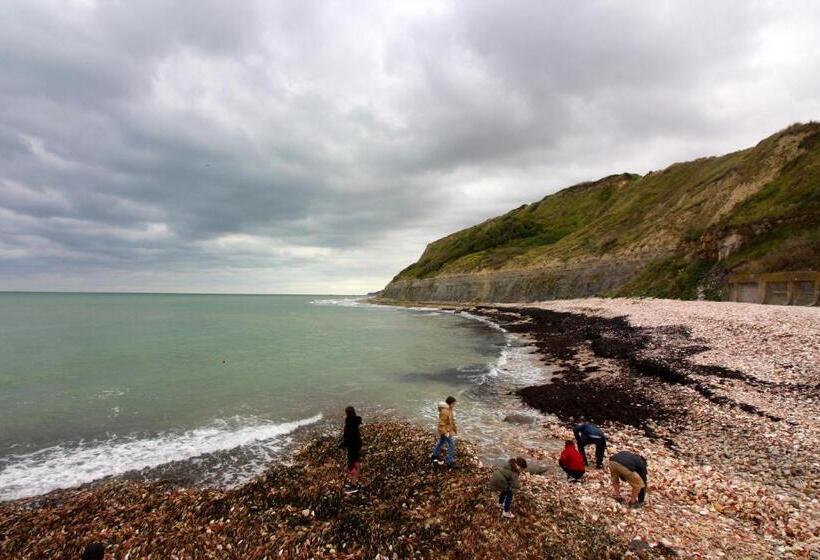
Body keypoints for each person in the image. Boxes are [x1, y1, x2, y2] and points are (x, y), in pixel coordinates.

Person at [339, 406, 362, 494]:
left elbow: (348, 439)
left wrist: (341, 445)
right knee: (357, 464)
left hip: (352, 447)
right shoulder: (356, 421)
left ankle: (354, 486)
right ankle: (354, 483)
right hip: (357, 445)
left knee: (352, 467)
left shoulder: (349, 424)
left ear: (347, 413)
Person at [430, 396, 458, 467]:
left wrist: (455, 429)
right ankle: (450, 461)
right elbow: (441, 423)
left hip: (447, 430)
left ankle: (435, 456)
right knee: (452, 445)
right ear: (450, 403)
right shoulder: (445, 411)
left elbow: (451, 421)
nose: (454, 405)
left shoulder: (450, 409)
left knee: (441, 442)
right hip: (446, 431)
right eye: (454, 403)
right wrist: (445, 432)